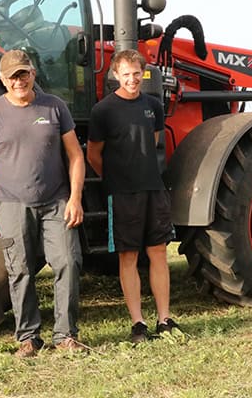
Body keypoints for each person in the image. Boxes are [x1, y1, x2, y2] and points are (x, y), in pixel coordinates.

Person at [0, 49, 86, 357]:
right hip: (11, 204)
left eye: (23, 74)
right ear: (2, 79)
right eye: (11, 76)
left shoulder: (54, 107)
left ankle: (66, 334)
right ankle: (28, 338)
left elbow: (75, 155)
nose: (18, 81)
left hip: (56, 200)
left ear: (33, 73)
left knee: (68, 262)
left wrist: (75, 198)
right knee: (19, 269)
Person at [87, 49, 180, 343]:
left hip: (153, 189)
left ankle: (164, 319)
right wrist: (117, 177)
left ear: (144, 73)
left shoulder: (153, 105)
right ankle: (138, 323)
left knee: (158, 254)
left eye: (137, 73)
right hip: (123, 193)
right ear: (115, 75)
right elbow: (93, 154)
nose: (132, 79)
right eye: (126, 74)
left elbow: (152, 144)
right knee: (128, 257)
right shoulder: (103, 111)